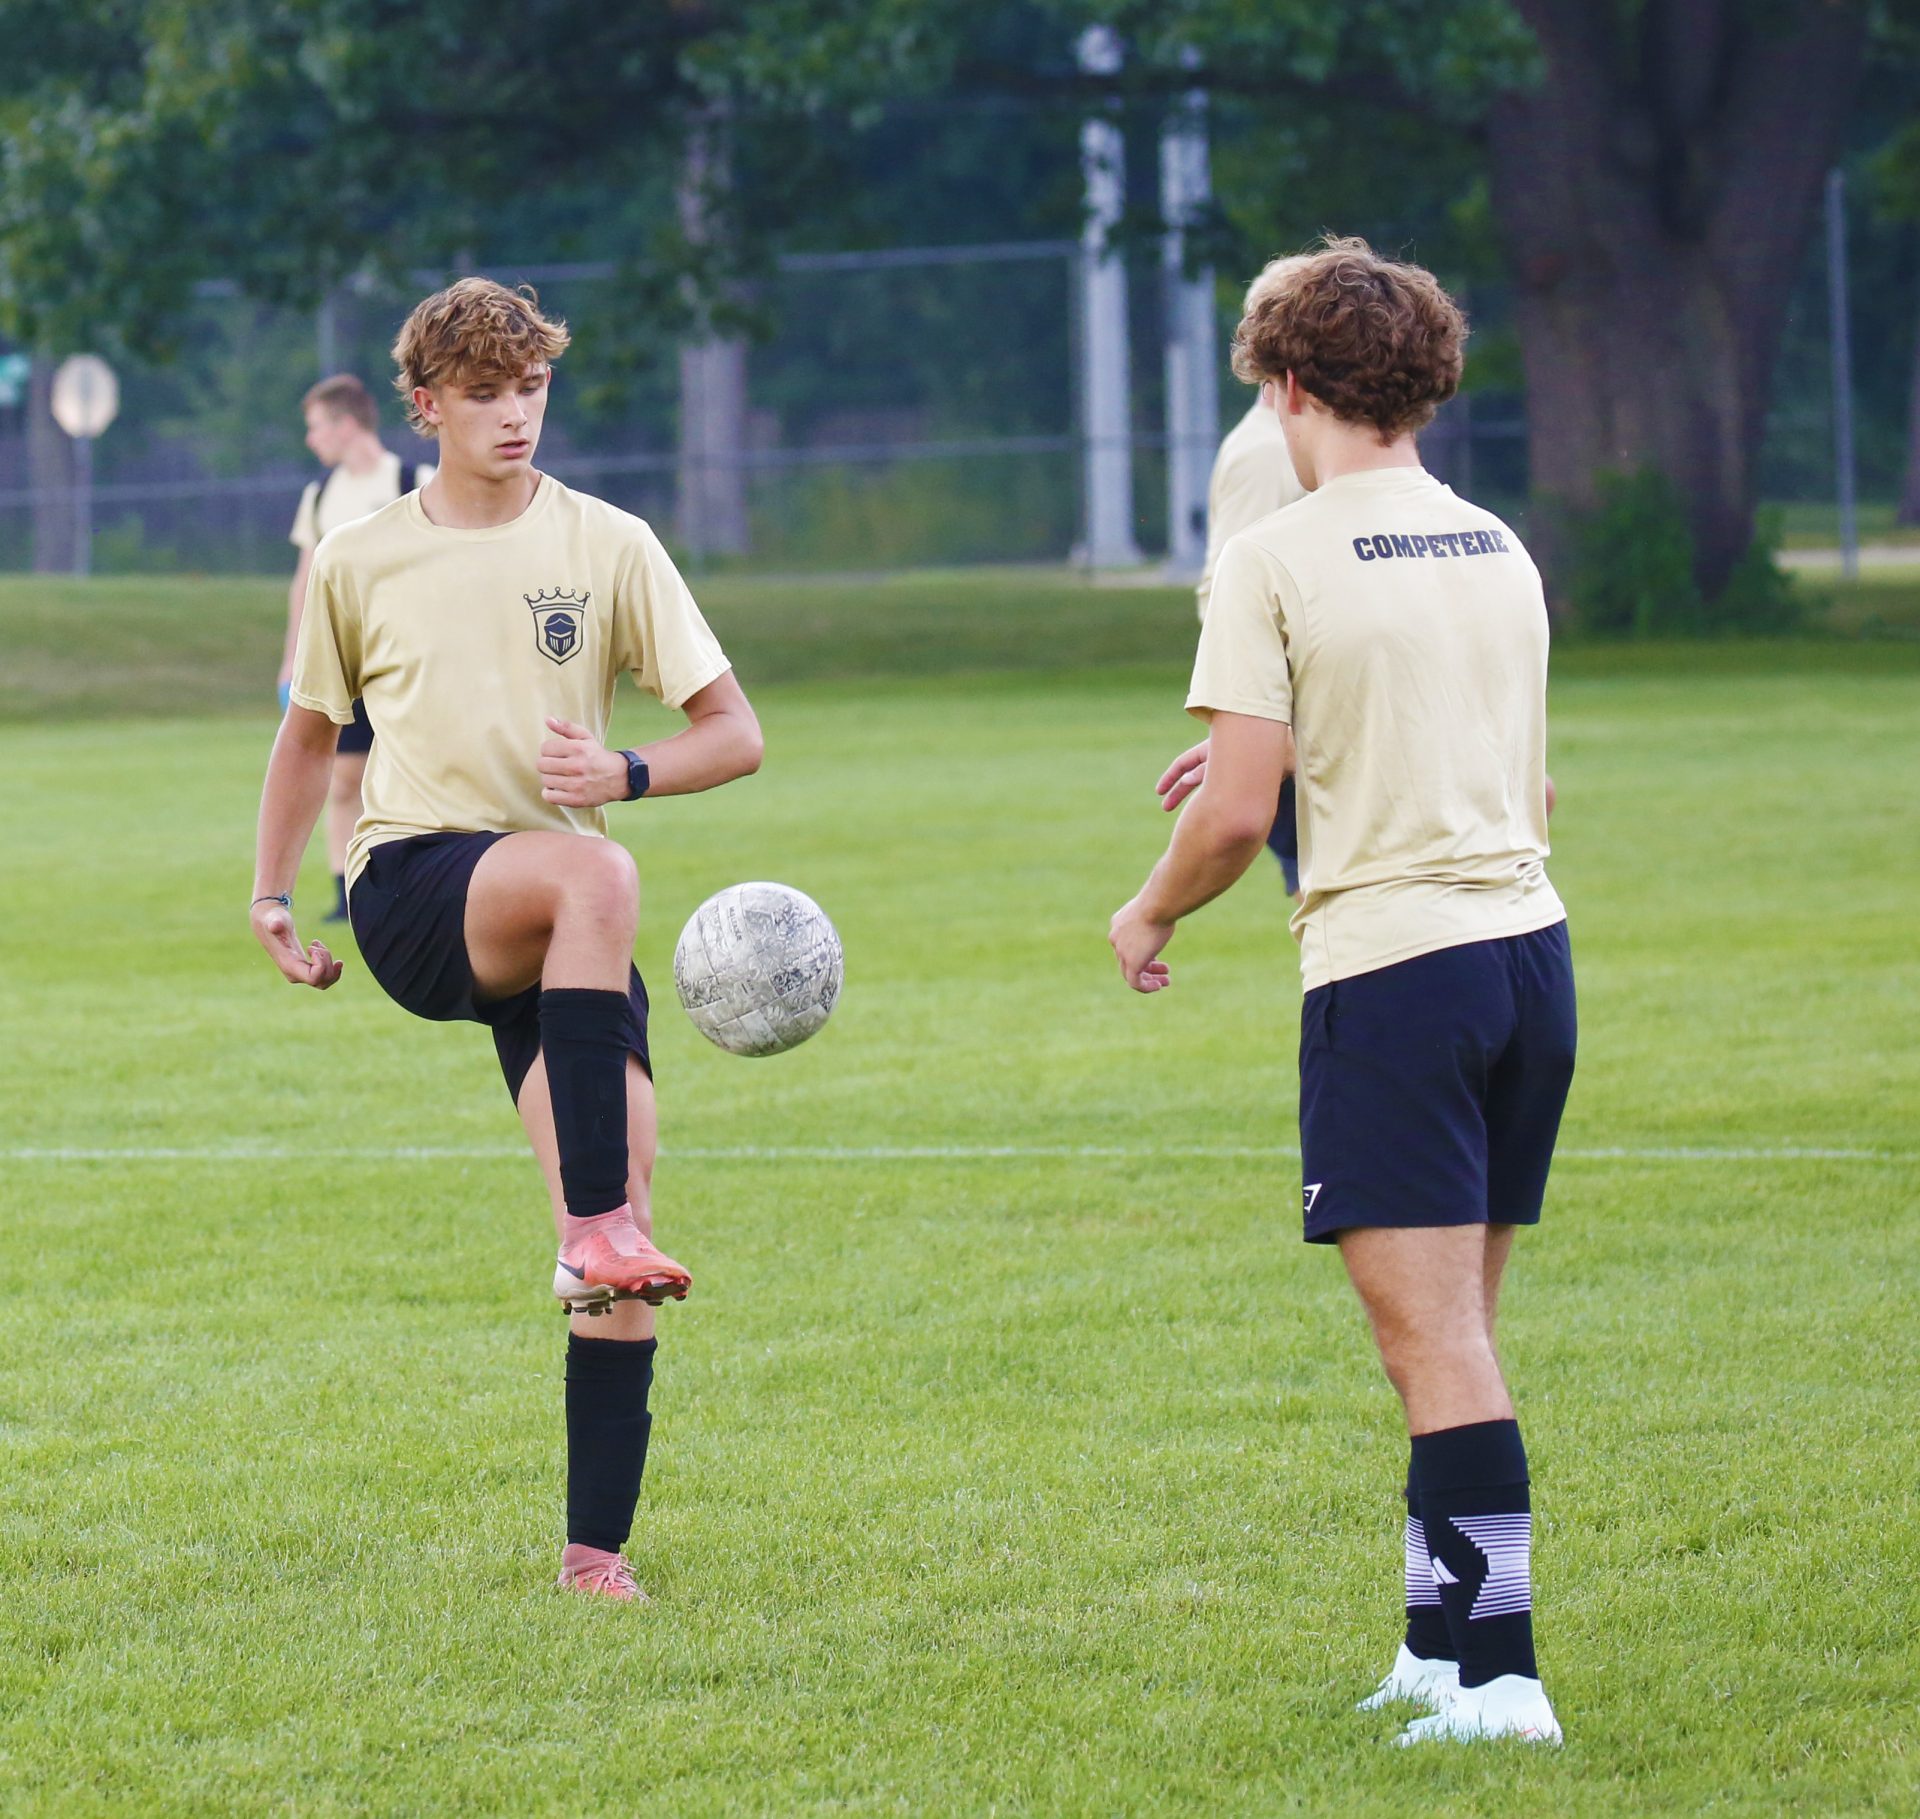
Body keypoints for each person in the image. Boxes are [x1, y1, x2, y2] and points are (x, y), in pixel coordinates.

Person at [1109, 237, 1573, 1745]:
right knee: (1452, 1337)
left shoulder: (1277, 556)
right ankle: (1437, 1655)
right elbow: (1523, 782)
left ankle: (1504, 1682)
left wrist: (1149, 904)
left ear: (1289, 386)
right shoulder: (1494, 542)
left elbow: (1235, 818)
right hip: (1529, 962)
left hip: (1397, 975)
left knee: (1432, 1345)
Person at [250, 279, 764, 1602]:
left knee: (629, 1227)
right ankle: (590, 1227)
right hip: (416, 887)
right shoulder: (362, 556)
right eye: (485, 392)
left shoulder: (610, 542)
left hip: (560, 925)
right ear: (426, 406)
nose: (515, 412)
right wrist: (271, 896)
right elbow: (307, 738)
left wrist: (627, 767)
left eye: (531, 386)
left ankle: (595, 1554)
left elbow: (734, 730)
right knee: (597, 870)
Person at [278, 373, 432, 922]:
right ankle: (349, 893)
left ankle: (416, 882)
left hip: (405, 664)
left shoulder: (414, 482)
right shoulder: (320, 495)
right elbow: (306, 581)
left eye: (316, 426)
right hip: (342, 663)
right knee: (343, 779)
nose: (311, 439)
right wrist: (292, 658)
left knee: (411, 777)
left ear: (346, 424)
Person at [1195, 261, 1310, 902]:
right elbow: (1235, 591)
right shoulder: (1268, 451)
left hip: (1325, 711)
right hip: (1295, 714)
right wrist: (1268, 726)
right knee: (1325, 892)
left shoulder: (1306, 441)